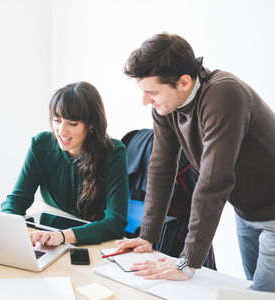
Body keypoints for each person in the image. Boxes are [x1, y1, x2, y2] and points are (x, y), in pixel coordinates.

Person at [116, 32, 275, 292]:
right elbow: (161, 166)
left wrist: (188, 262)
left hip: (272, 211)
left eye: (152, 92)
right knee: (254, 293)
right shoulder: (166, 107)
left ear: (184, 82)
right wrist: (148, 236)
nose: (145, 100)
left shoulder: (224, 94)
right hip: (246, 211)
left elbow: (214, 180)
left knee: (264, 294)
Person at [1, 81, 128, 246]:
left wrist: (62, 236)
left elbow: (115, 223)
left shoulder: (114, 152)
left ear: (91, 123)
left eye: (72, 123)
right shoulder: (41, 144)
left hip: (92, 242)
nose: (61, 130)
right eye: (57, 120)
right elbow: (18, 199)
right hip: (51, 234)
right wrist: (8, 224)